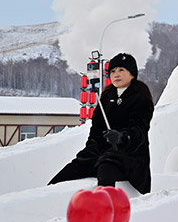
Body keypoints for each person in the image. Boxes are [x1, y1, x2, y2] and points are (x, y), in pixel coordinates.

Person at [49, 52, 154, 194]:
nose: (116, 74)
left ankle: (105, 208)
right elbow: (96, 131)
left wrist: (122, 137)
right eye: (112, 71)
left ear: (132, 73)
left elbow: (139, 129)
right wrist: (89, 152)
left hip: (129, 156)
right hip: (101, 153)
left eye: (121, 70)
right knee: (68, 173)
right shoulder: (105, 98)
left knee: (107, 167)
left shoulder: (140, 97)